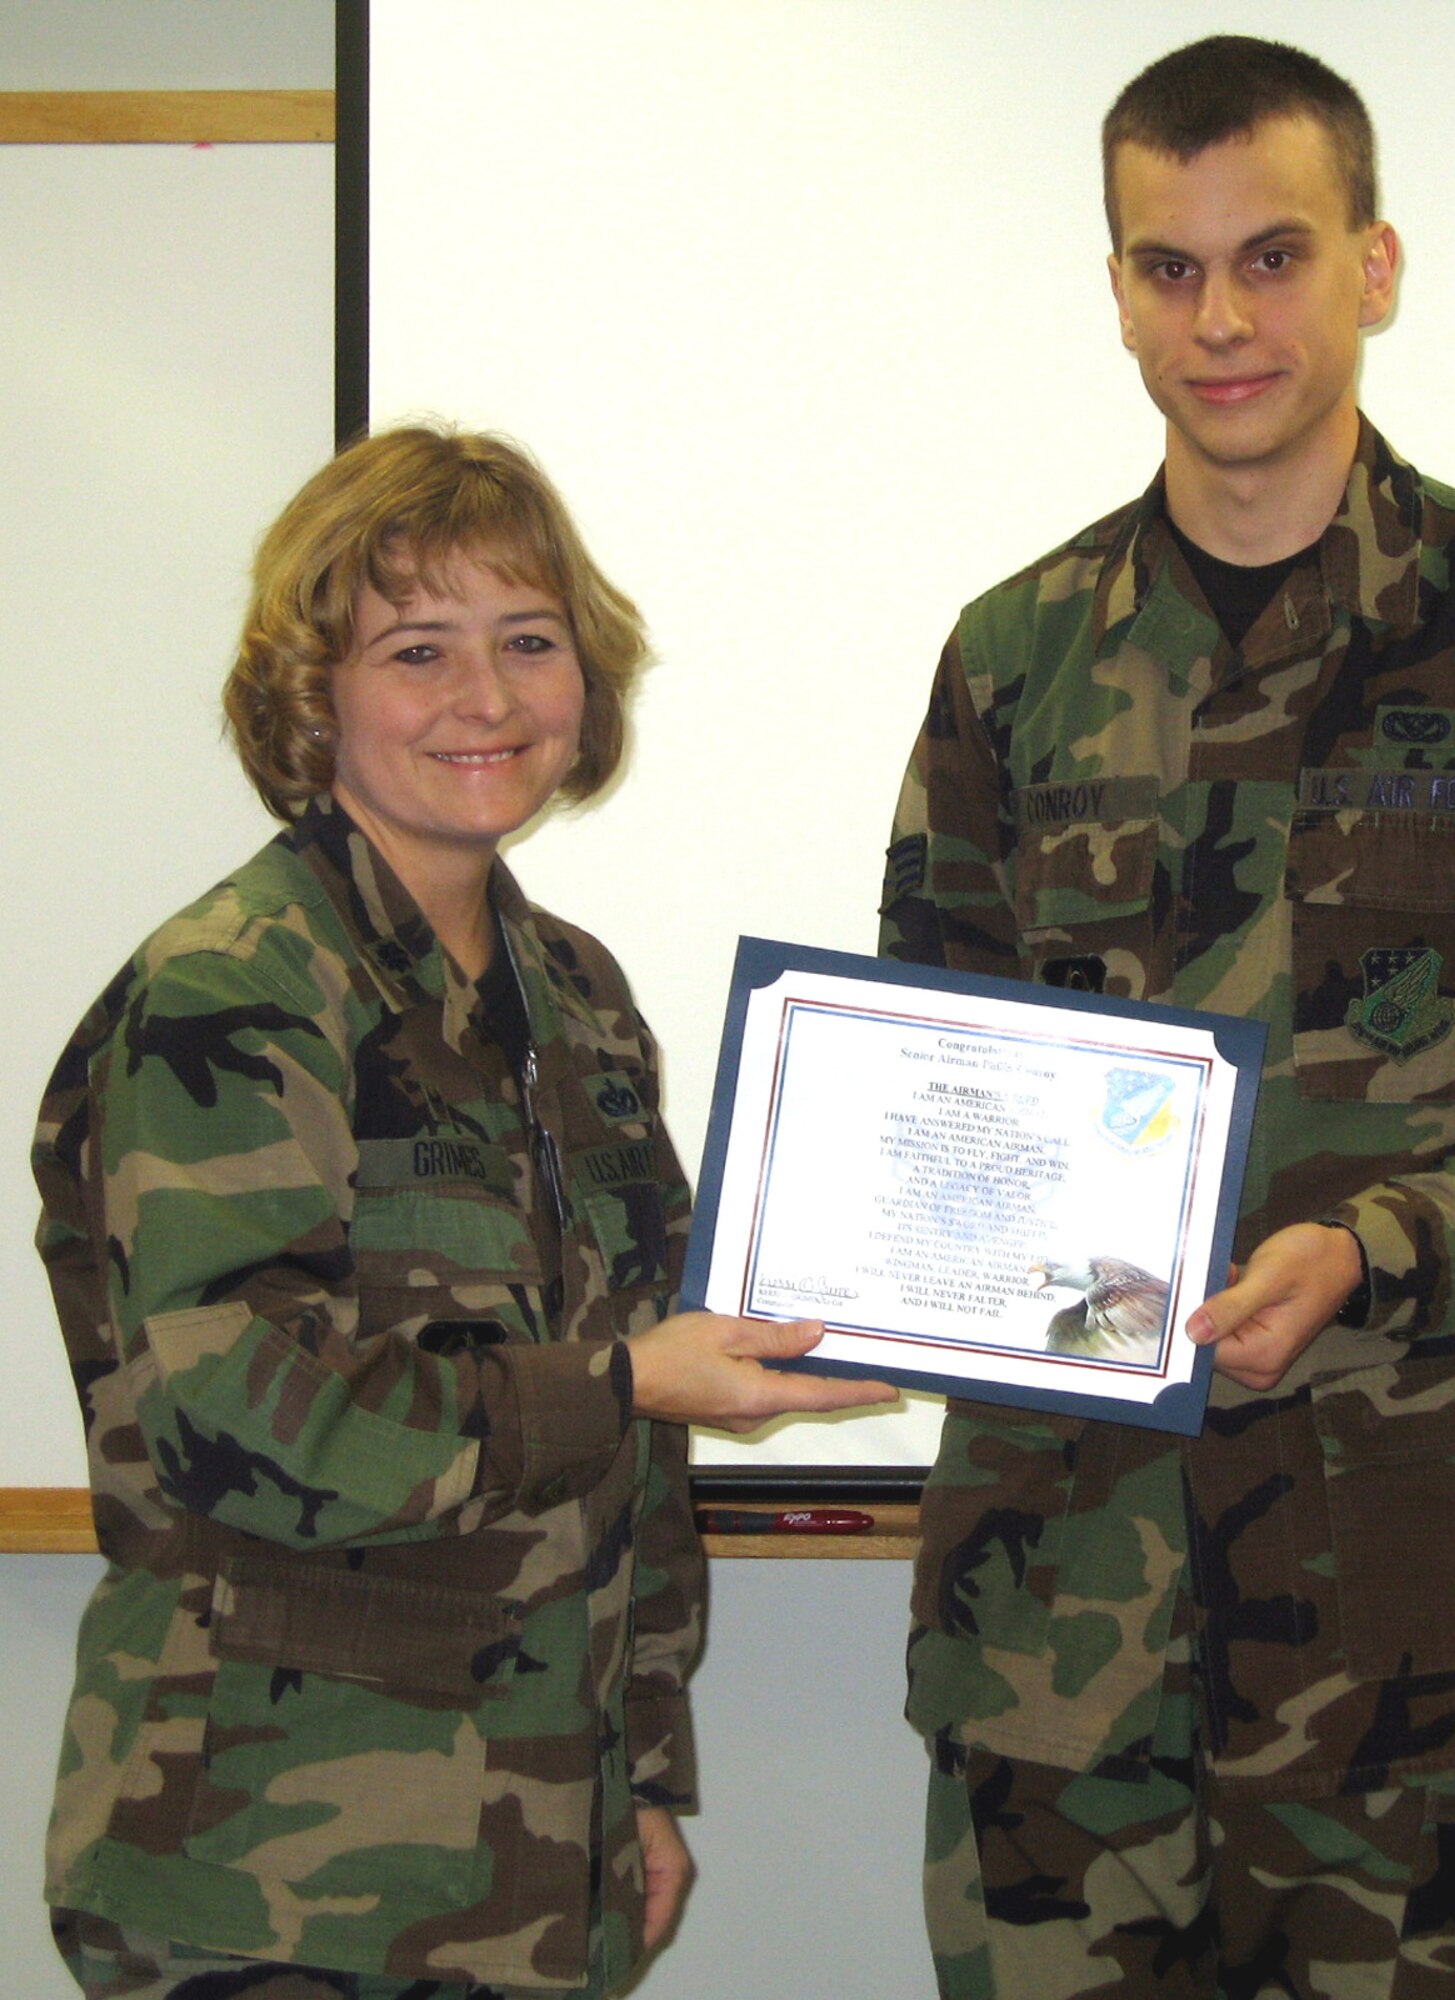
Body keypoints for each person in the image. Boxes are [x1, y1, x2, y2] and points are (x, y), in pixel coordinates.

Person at [881, 36, 1455, 2000]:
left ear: (1375, 263)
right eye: (1165, 268)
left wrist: (1379, 1248)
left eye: (1270, 257)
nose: (1219, 317)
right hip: (1065, 1640)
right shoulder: (1015, 660)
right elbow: (933, 1090)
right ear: (1114, 288)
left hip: (1413, 1634)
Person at [33, 424, 894, 1999]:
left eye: (527, 642)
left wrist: (634, 1774)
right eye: (417, 650)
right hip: (271, 1884)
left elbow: (638, 1437)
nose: (485, 700)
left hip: (527, 1852)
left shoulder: (572, 993)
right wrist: (630, 1380)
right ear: (316, 693)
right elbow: (241, 1416)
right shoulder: (238, 988)